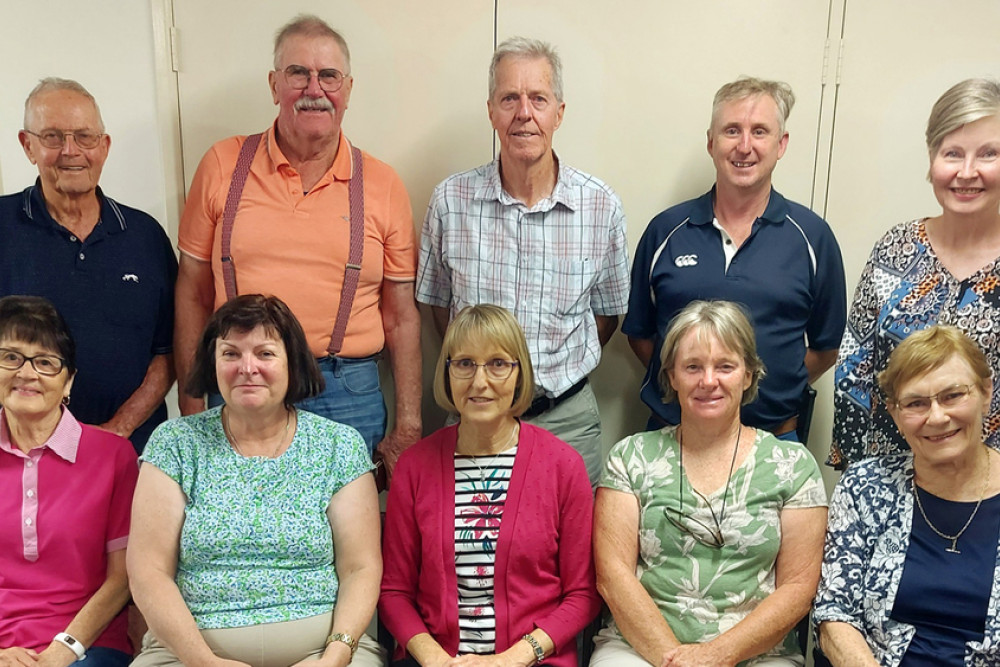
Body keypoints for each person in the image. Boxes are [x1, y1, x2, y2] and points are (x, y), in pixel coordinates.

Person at [174, 14, 421, 472]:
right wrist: (191, 405)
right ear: (274, 84)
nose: (315, 88)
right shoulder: (221, 165)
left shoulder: (384, 184)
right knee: (237, 533)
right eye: (298, 73)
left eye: (329, 75)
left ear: (347, 89)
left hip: (347, 391)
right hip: (238, 382)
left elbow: (402, 314)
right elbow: (192, 290)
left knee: (350, 537)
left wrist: (407, 424)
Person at [415, 37, 630, 484]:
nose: (524, 114)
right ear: (491, 111)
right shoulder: (451, 201)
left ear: (559, 112)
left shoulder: (600, 206)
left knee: (569, 550)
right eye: (509, 98)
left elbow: (608, 314)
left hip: (566, 420)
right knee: (472, 549)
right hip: (472, 417)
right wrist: (481, 372)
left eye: (538, 99)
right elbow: (439, 308)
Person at [128, 295, 383, 667]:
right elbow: (149, 572)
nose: (247, 368)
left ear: (292, 363)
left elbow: (361, 567)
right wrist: (204, 662)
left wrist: (336, 655)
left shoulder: (338, 445)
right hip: (188, 656)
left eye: (265, 353)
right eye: (230, 354)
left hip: (322, 654)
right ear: (212, 363)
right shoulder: (175, 444)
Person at [592, 300, 827, 667]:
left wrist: (716, 656)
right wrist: (677, 661)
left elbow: (798, 589)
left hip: (758, 654)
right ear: (671, 375)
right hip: (637, 648)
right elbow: (613, 577)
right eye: (692, 367)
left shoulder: (793, 467)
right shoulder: (631, 457)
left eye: (725, 366)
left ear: (748, 374)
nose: (708, 381)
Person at [625, 77, 845, 442]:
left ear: (781, 144)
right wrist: (691, 387)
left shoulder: (813, 237)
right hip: (671, 437)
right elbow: (642, 336)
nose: (745, 147)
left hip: (774, 441)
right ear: (711, 142)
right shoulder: (666, 232)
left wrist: (764, 388)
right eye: (731, 131)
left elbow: (825, 347)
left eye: (760, 132)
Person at [379, 304, 600, 667]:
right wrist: (436, 659)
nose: (480, 382)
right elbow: (394, 592)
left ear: (519, 373)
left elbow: (581, 595)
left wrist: (512, 659)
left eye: (498, 363)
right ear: (447, 371)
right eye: (465, 363)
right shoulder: (414, 468)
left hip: (532, 661)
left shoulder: (563, 467)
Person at [0, 77, 177, 453]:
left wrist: (118, 429)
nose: (71, 151)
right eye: (52, 137)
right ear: (27, 145)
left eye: (84, 136)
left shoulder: (145, 236)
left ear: (104, 146)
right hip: (19, 454)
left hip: (131, 451)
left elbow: (168, 351)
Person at [831, 78, 1000, 468]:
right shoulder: (895, 248)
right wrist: (860, 480)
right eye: (953, 153)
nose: (967, 172)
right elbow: (854, 368)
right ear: (931, 158)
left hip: (988, 494)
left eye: (988, 154)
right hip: (888, 479)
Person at [815, 325, 1000, 665]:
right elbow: (833, 614)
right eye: (916, 403)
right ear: (896, 415)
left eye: (953, 395)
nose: (937, 417)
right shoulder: (865, 487)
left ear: (986, 392)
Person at [0, 295, 138, 667]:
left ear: (69, 381)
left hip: (87, 647)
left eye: (45, 362)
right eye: (11, 357)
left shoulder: (113, 456)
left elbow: (122, 578)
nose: (26, 374)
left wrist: (65, 650)